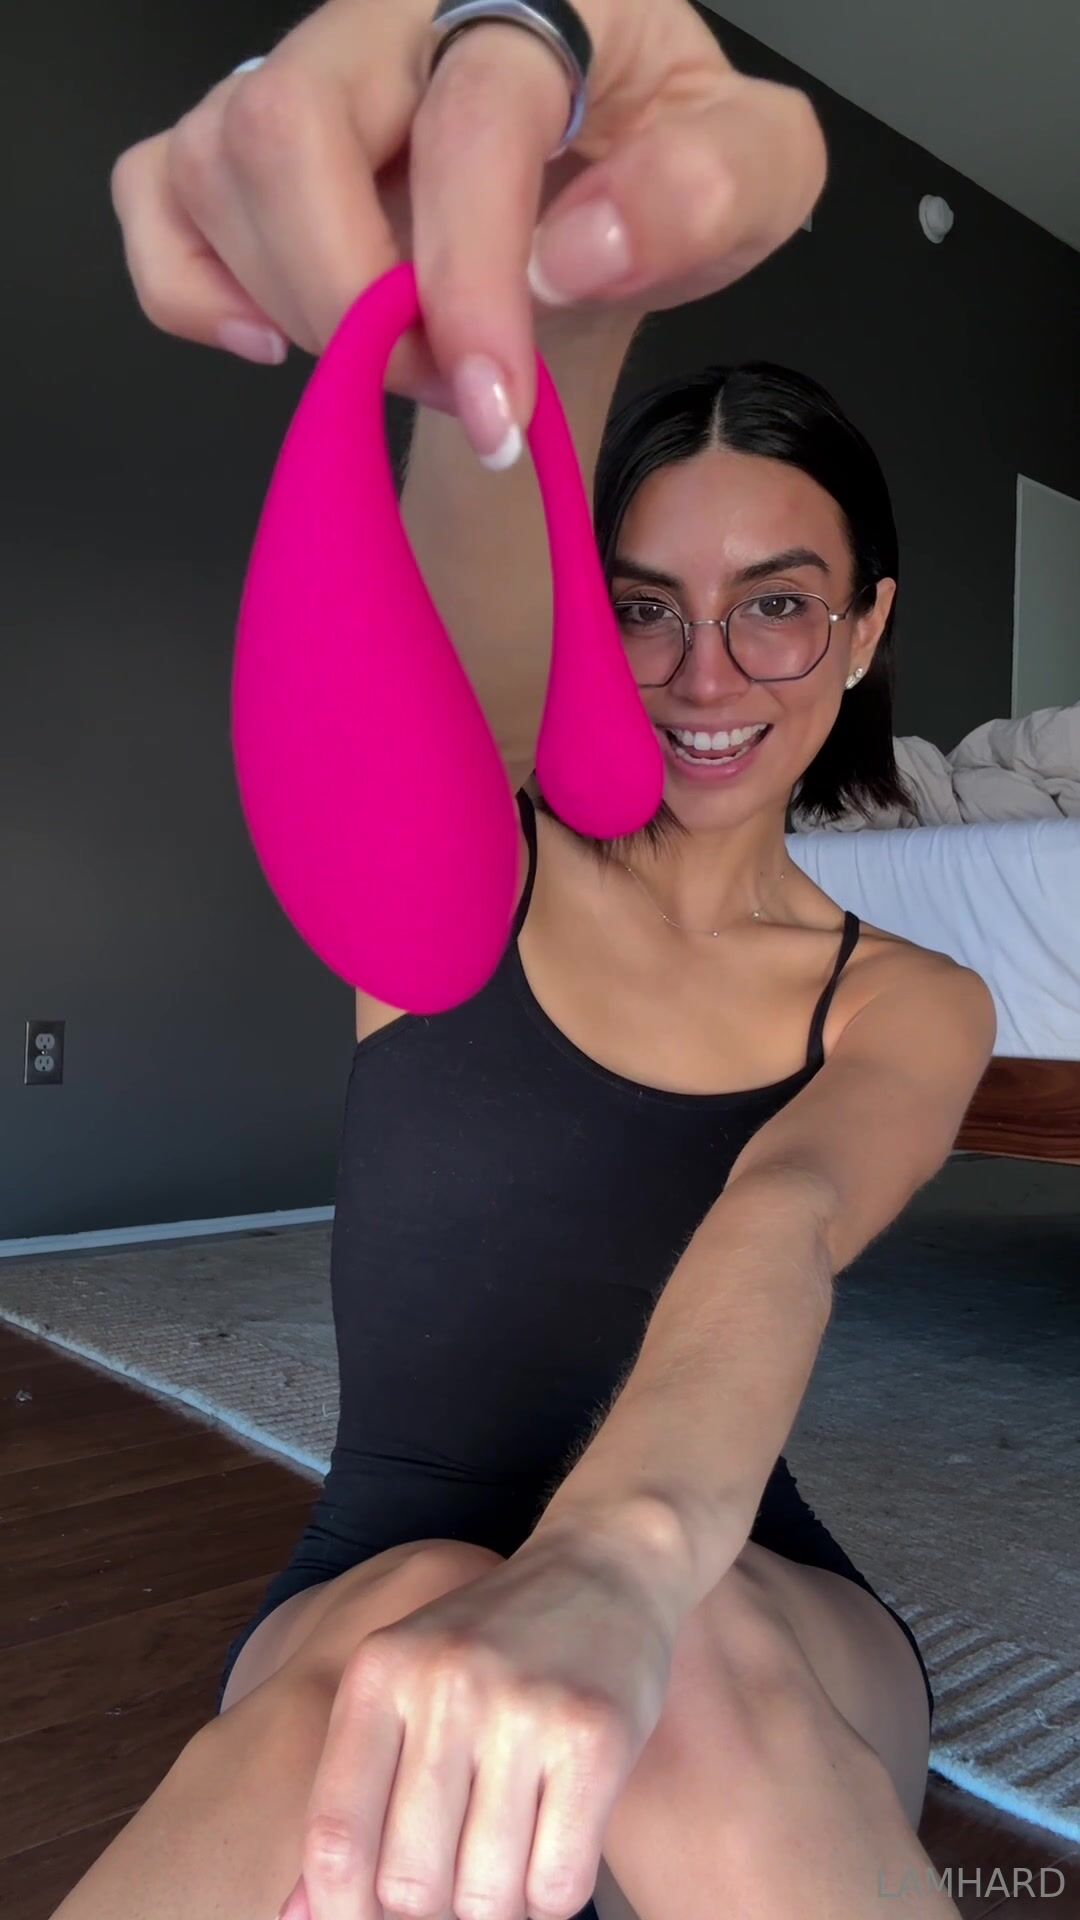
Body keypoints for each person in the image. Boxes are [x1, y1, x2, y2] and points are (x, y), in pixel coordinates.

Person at [66, 4, 995, 1918]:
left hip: (742, 1586)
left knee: (703, 1667)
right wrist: (534, 130)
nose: (707, 674)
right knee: (408, 1622)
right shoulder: (474, 865)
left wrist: (625, 1566)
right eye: (646, 607)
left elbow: (784, 1221)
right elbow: (491, 469)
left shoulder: (909, 1000)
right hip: (375, 1567)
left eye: (778, 606)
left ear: (864, 628)